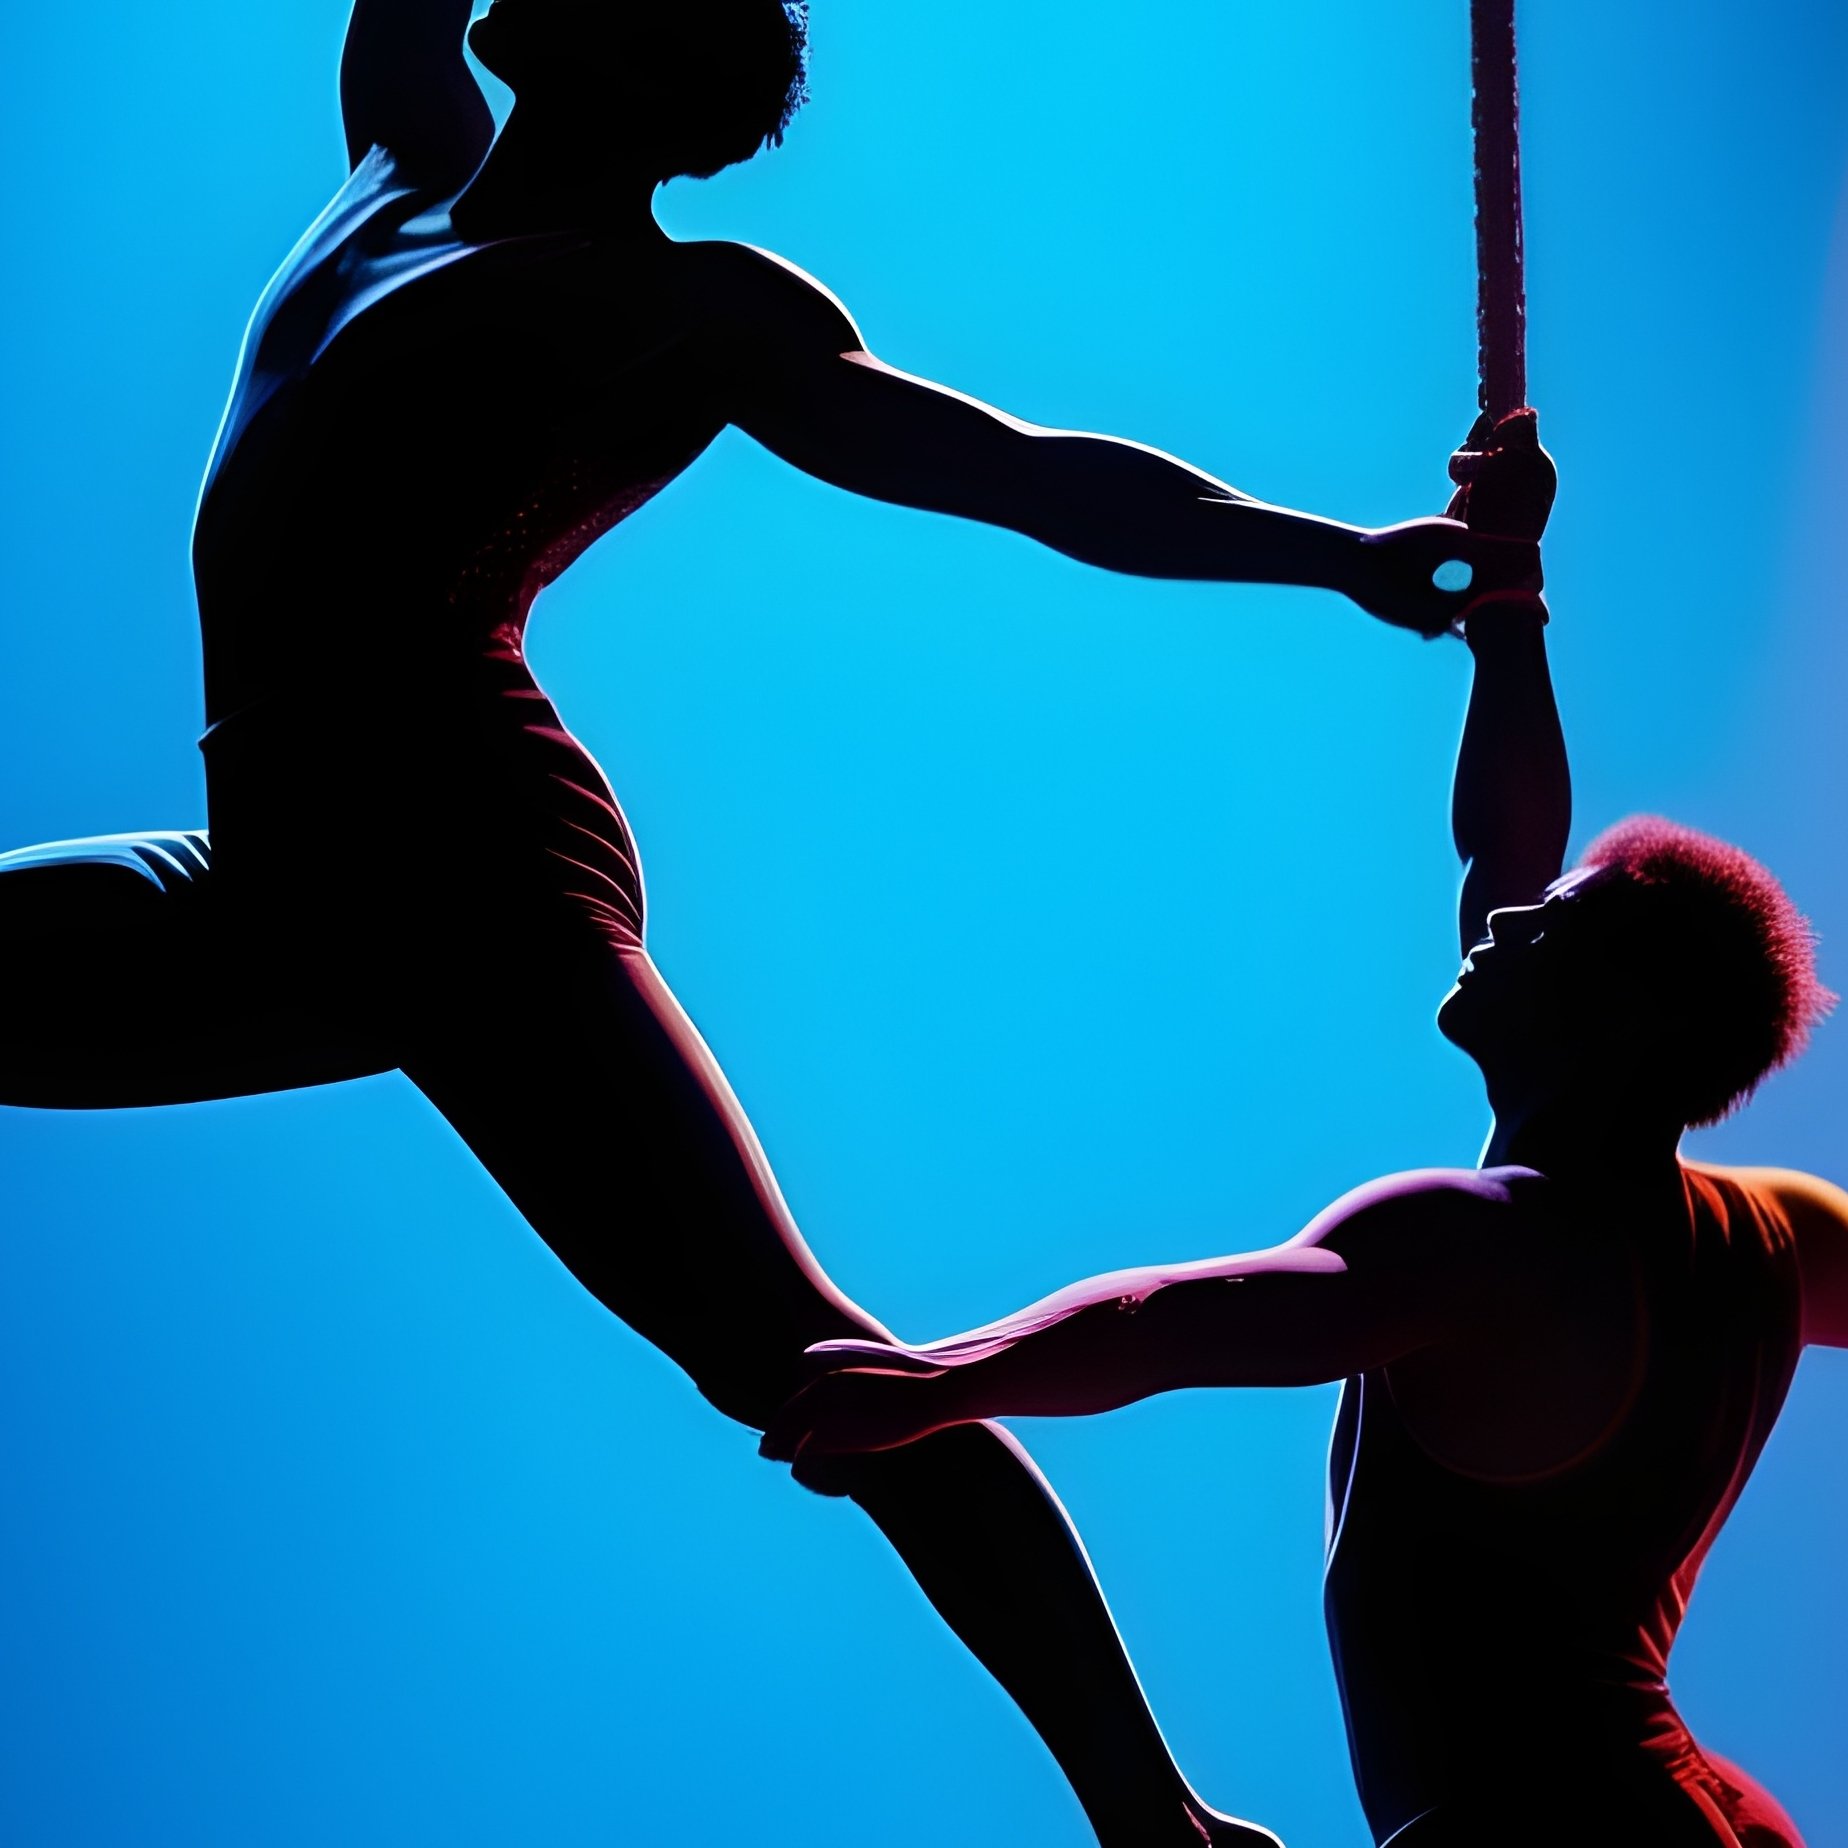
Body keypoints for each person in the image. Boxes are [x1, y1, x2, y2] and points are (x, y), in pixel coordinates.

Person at [0, 4, 1542, 1843]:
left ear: (659, 91)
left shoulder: (694, 311)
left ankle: (1159, 1819)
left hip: (473, 864)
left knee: (806, 1365)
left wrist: (1341, 554)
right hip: (268, 865)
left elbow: (1023, 469)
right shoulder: (396, 158)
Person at [767, 411, 1841, 1847]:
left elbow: (1175, 1319)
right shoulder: (1769, 1235)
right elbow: (1505, 866)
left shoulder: (1482, 1246)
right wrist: (1508, 601)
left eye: (1556, 931)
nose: (1507, 916)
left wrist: (938, 1380)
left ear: (1623, 1019)